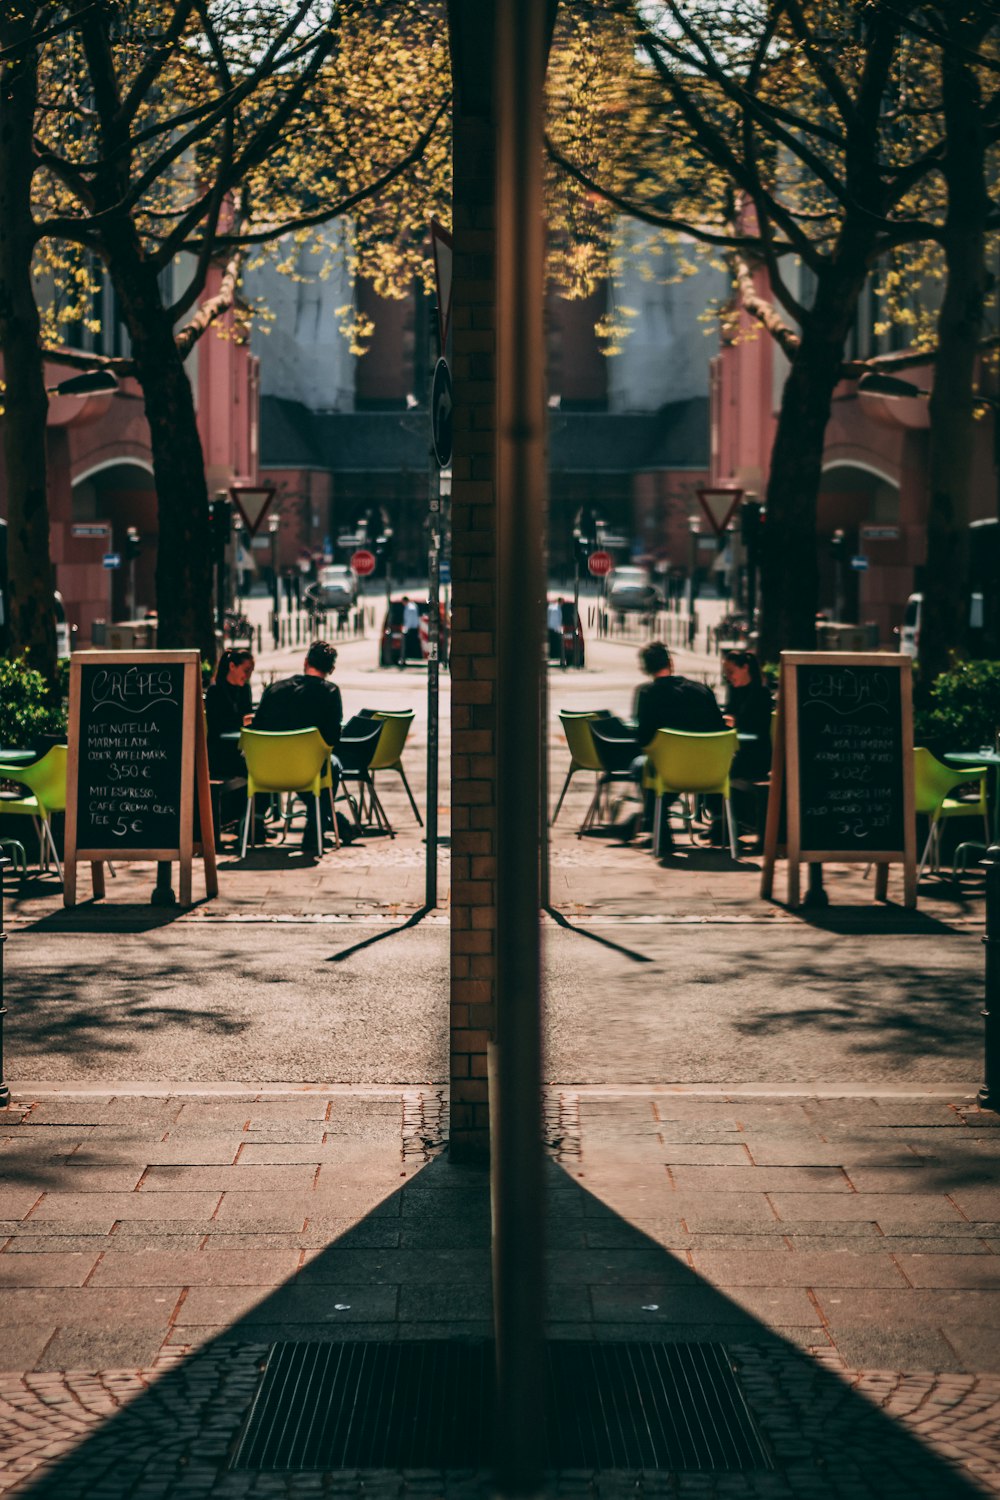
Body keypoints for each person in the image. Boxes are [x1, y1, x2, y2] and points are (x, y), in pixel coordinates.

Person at [629, 641, 725, 855]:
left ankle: (658, 828)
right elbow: (719, 729)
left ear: (645, 668)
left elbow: (644, 740)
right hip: (711, 770)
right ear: (670, 662)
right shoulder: (701, 690)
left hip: (670, 771)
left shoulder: (648, 694)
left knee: (639, 766)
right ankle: (719, 820)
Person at [252, 640, 345, 850]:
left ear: (306, 662)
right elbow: (332, 739)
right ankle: (315, 831)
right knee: (333, 764)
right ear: (331, 669)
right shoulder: (330, 693)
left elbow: (257, 729)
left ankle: (255, 820)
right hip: (308, 771)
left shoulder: (275, 690)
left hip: (267, 769)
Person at [721, 650, 773, 781]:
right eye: (725, 673)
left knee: (717, 770)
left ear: (745, 668)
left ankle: (710, 801)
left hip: (755, 756)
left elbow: (757, 730)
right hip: (739, 751)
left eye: (731, 672)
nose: (728, 677)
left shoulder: (761, 694)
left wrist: (734, 723)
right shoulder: (734, 691)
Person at [205, 649, 255, 780]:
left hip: (239, 749)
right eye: (246, 670)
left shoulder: (244, 690)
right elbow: (217, 726)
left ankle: (262, 801)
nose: (248, 676)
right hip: (221, 753)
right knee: (256, 769)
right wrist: (243, 721)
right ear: (232, 666)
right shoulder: (215, 692)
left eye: (251, 671)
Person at [400, 596, 421, 667]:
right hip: (413, 628)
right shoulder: (413, 606)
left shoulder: (409, 608)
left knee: (407, 645)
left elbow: (409, 620)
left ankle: (406, 659)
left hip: (411, 629)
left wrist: (405, 629)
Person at [547, 597, 566, 667]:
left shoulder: (552, 607)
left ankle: (553, 655)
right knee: (555, 642)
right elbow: (556, 620)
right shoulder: (556, 609)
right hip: (554, 628)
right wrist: (559, 628)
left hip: (551, 627)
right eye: (562, 602)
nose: (563, 604)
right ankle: (554, 655)